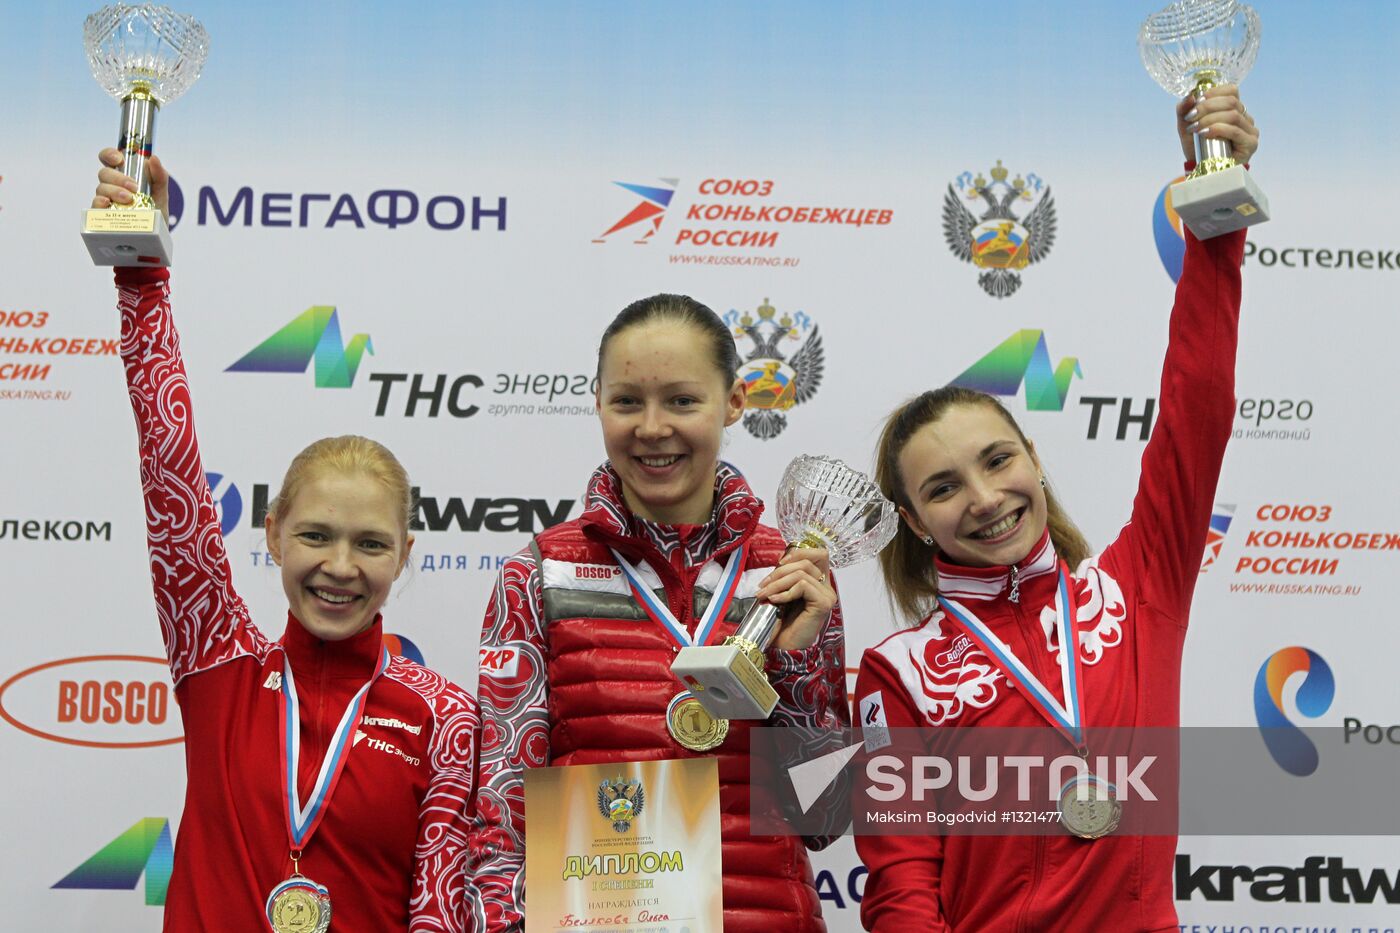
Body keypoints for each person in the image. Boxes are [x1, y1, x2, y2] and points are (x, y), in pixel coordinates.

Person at [852, 88, 1259, 932]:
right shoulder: (900, 672)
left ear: (1035, 461)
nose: (986, 497)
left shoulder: (1136, 590)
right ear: (916, 522)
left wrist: (1216, 205)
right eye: (943, 488)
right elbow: (901, 887)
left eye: (998, 460)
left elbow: (1198, 405)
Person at [93, 148, 479, 932]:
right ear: (270, 533)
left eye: (370, 543)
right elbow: (167, 462)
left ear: (406, 554)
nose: (339, 567)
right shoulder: (217, 656)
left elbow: (440, 909)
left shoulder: (447, 715)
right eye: (315, 535)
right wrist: (142, 275)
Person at [469, 294, 850, 931]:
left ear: (734, 402)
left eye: (681, 400)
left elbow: (827, 816)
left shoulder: (790, 574)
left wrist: (798, 660)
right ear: (596, 404)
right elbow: (502, 812)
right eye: (626, 401)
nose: (651, 428)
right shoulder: (539, 573)